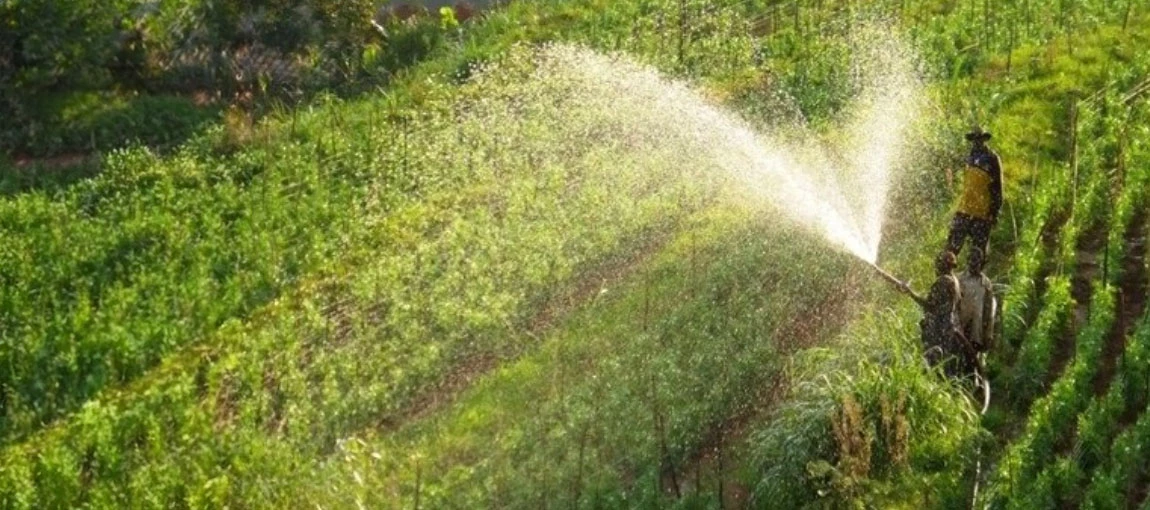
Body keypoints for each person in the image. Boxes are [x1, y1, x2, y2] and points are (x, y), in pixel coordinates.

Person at [900, 251, 974, 376]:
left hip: (939, 329)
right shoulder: (955, 281)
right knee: (942, 362)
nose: (936, 266)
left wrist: (910, 292)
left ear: (944, 265)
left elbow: (929, 305)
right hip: (949, 328)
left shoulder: (943, 281)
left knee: (932, 361)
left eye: (938, 264)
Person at [945, 127, 1003, 266]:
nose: (977, 142)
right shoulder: (968, 156)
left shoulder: (992, 158)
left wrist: (994, 212)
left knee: (979, 251)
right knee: (951, 247)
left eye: (979, 139)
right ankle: (945, 275)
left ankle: (977, 281)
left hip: (982, 213)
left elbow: (998, 188)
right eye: (974, 139)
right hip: (964, 209)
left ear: (984, 140)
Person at [958, 248, 996, 354]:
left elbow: (989, 311)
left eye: (976, 261)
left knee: (971, 361)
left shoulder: (986, 283)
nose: (973, 263)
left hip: (976, 329)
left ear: (981, 262)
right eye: (971, 260)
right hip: (960, 326)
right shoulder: (959, 279)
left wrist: (988, 334)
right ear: (968, 261)